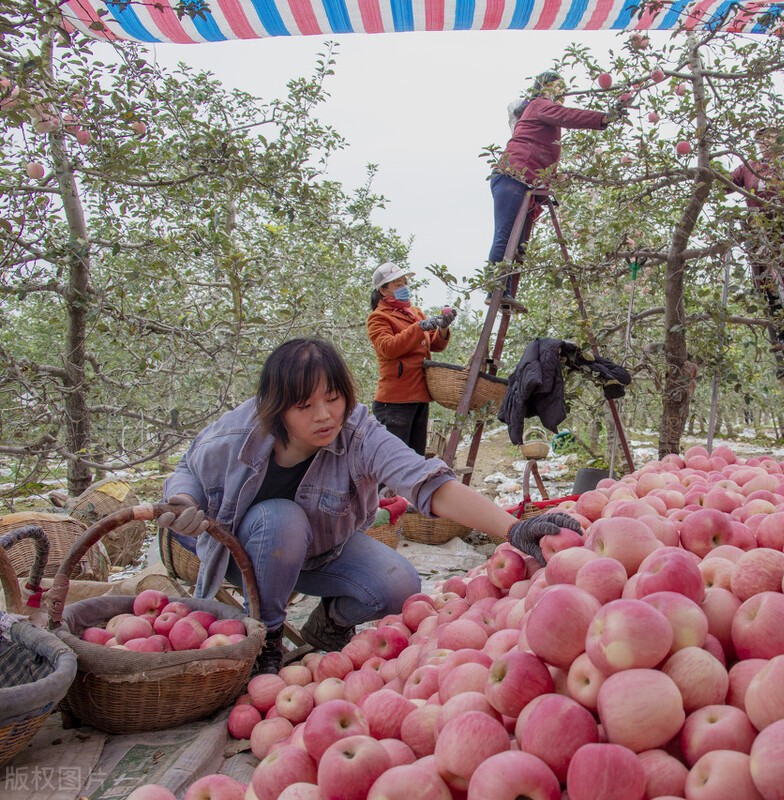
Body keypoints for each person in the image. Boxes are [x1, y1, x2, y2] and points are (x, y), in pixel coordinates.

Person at [157, 338, 580, 674]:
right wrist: (184, 502)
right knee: (279, 517)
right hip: (241, 553)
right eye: (305, 405)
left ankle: (331, 622)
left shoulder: (358, 432)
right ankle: (266, 635)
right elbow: (187, 470)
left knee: (399, 584)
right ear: (276, 408)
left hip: (319, 551)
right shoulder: (239, 432)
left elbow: (426, 481)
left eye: (333, 398)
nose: (325, 415)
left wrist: (512, 529)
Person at [487, 70, 627, 312]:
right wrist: (604, 118)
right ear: (544, 87)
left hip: (527, 182)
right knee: (506, 234)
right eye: (557, 86)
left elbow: (544, 151)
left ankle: (505, 292)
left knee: (519, 245)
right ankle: (495, 290)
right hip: (514, 177)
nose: (562, 92)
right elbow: (567, 115)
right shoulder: (539, 104)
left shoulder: (539, 112)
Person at [728, 126, 784, 351]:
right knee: (767, 280)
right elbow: (725, 183)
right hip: (760, 234)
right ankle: (781, 333)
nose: (764, 143)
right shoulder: (750, 167)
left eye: (769, 138)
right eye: (760, 140)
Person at [367, 262, 456, 458]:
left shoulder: (415, 313)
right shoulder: (378, 318)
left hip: (419, 395)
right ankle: (385, 491)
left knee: (415, 459)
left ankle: (408, 491)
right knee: (393, 462)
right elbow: (388, 348)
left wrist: (442, 328)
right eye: (398, 284)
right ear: (383, 290)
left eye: (405, 282)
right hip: (395, 401)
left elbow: (435, 345)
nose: (404, 287)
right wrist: (419, 328)